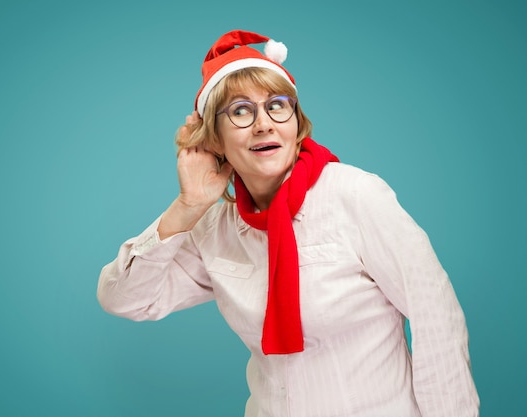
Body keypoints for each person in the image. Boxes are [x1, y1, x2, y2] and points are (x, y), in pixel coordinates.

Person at [97, 29, 480, 417]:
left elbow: (437, 318)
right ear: (213, 140)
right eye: (241, 111)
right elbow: (124, 298)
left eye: (277, 106)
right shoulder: (214, 228)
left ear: (295, 122)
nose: (264, 124)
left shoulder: (357, 197)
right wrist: (188, 205)